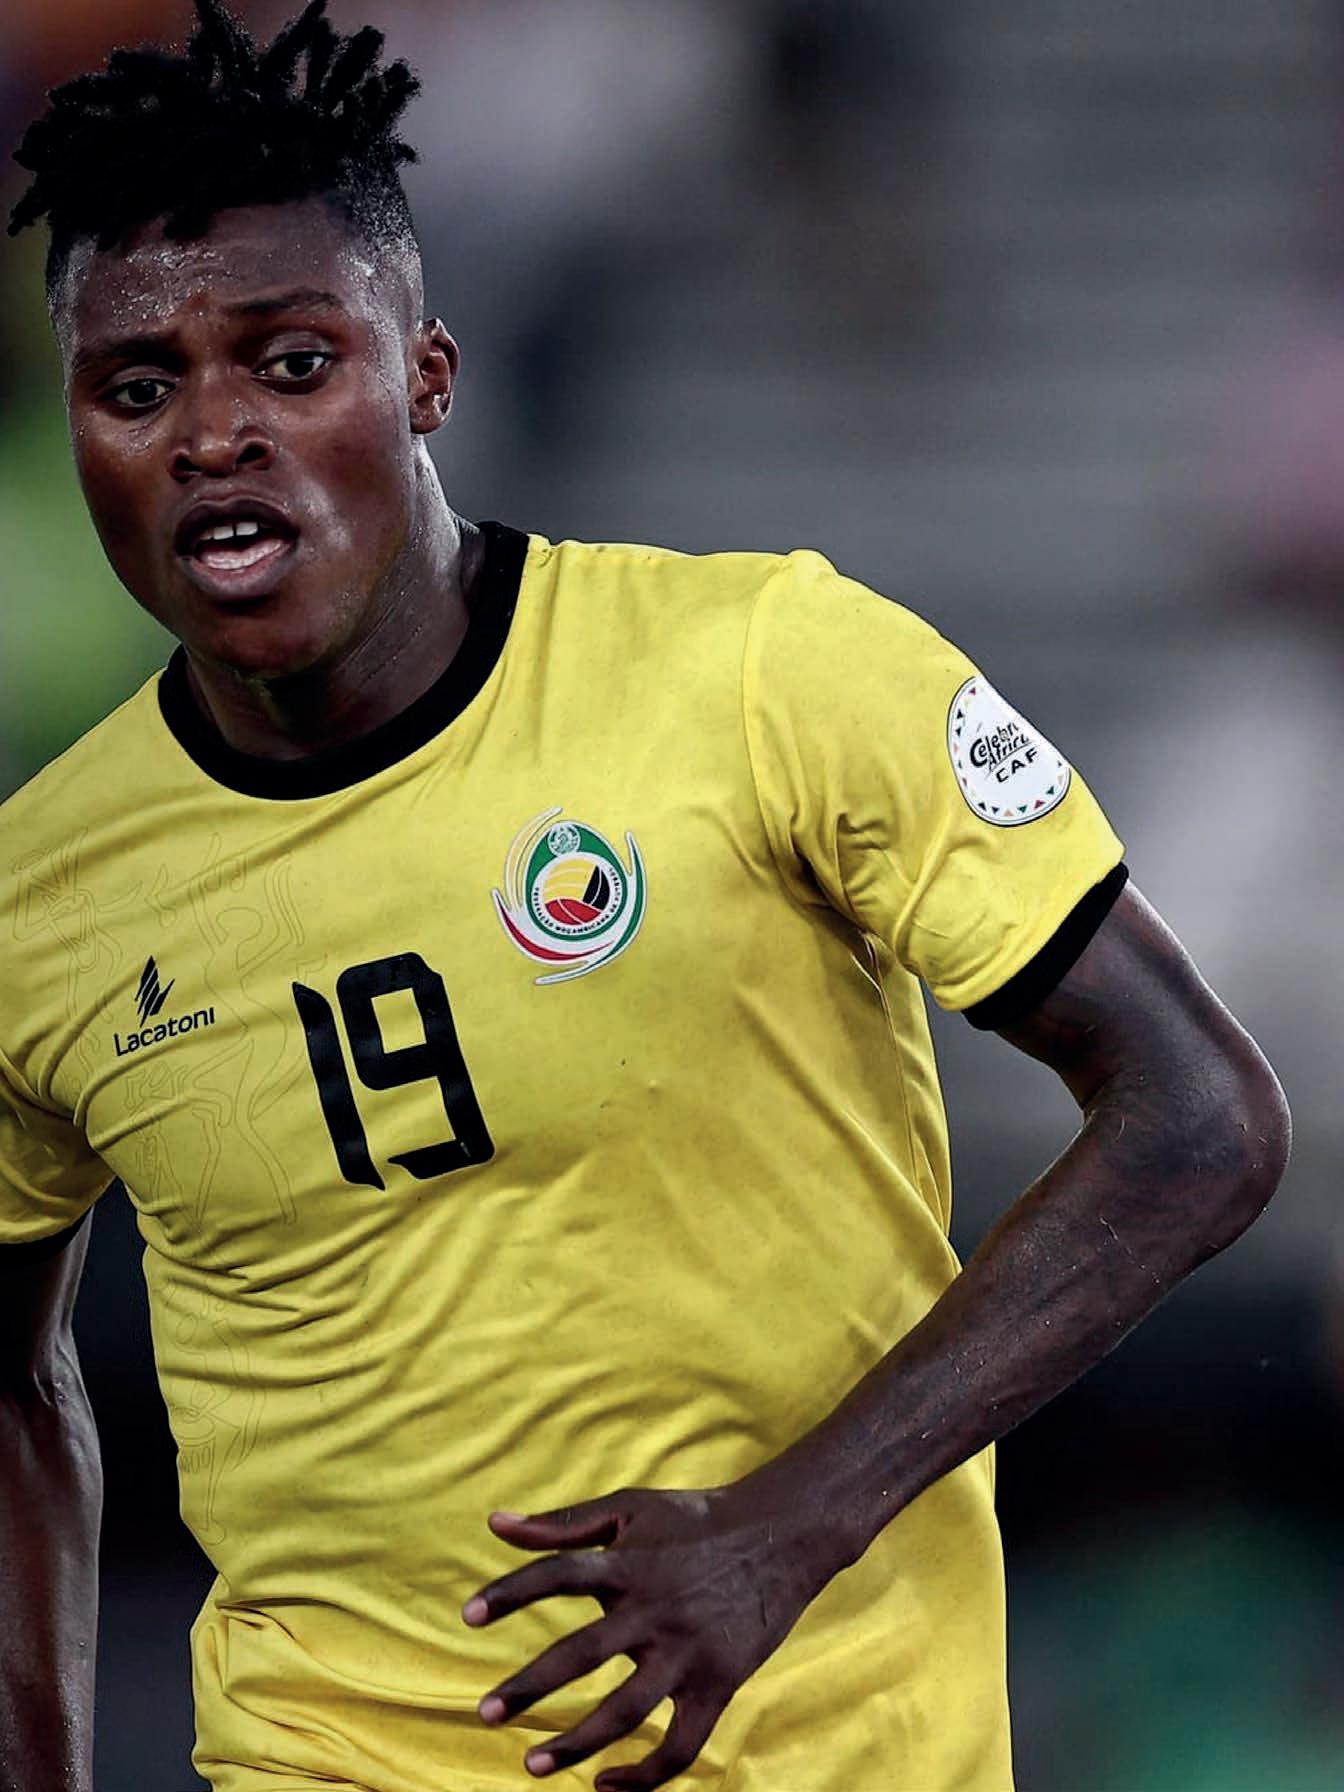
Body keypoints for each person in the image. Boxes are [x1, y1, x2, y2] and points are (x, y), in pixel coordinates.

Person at [0, 4, 1289, 1790]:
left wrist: (795, 1521)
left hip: (836, 1750)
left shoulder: (766, 671)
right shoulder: (43, 895)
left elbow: (1201, 1116)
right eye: (139, 388)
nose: (216, 433)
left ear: (427, 376)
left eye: (292, 363)